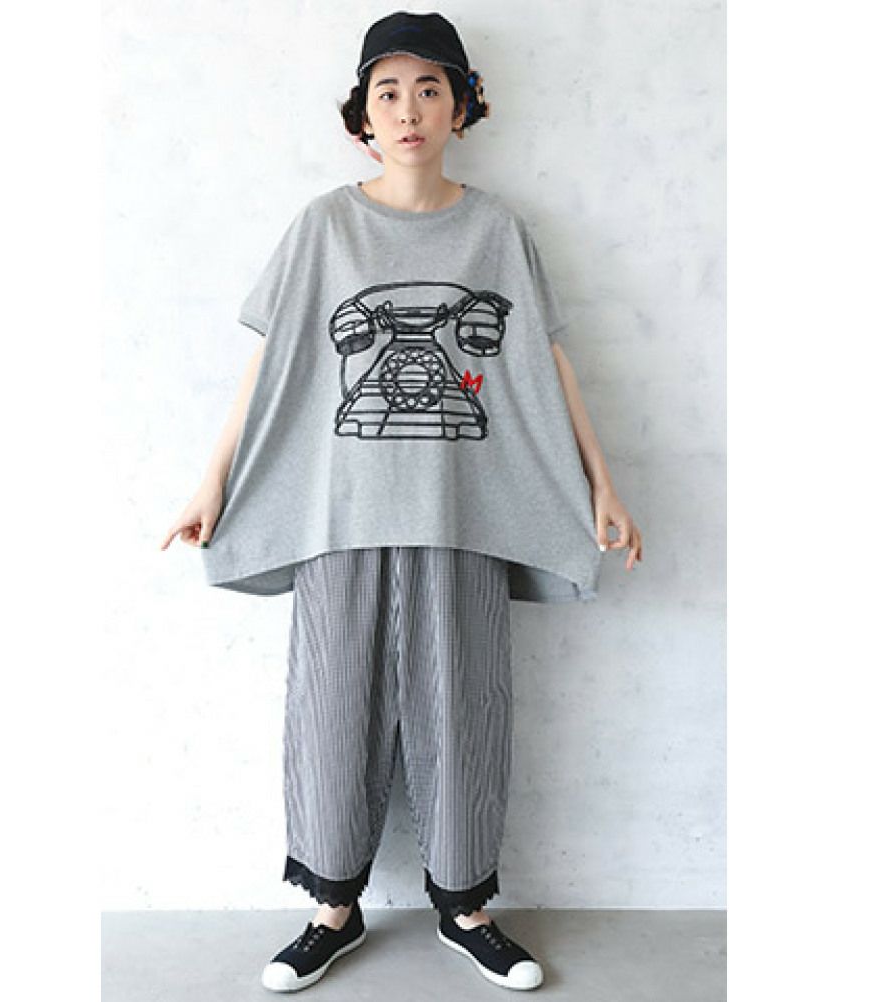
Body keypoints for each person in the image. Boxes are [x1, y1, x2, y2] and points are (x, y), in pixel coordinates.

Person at [161, 10, 642, 994]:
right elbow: (272, 360)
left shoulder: (498, 231)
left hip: (463, 512)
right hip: (340, 512)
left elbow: (547, 361)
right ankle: (330, 909)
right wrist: (212, 479)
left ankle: (466, 908)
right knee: (332, 701)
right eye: (389, 92)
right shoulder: (323, 227)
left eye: (431, 89)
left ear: (463, 108)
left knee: (464, 702)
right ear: (361, 118)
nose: (409, 109)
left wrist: (601, 480)